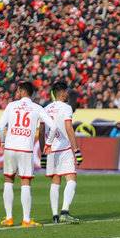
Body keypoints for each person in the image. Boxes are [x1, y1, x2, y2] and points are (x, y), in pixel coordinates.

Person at [0, 81, 56, 228]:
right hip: (25, 149)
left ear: (21, 91)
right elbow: (53, 126)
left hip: (10, 147)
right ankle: (26, 219)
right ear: (32, 94)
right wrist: (48, 143)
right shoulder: (37, 108)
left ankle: (9, 218)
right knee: (25, 182)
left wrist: (3, 142)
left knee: (8, 180)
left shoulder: (11, 106)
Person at [39, 82, 82, 224]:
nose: (68, 94)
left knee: (55, 180)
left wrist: (42, 151)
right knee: (71, 178)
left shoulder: (46, 108)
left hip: (50, 149)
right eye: (66, 91)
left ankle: (55, 215)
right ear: (62, 93)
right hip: (64, 147)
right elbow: (69, 128)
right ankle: (64, 211)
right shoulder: (66, 107)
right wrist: (76, 150)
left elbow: (41, 131)